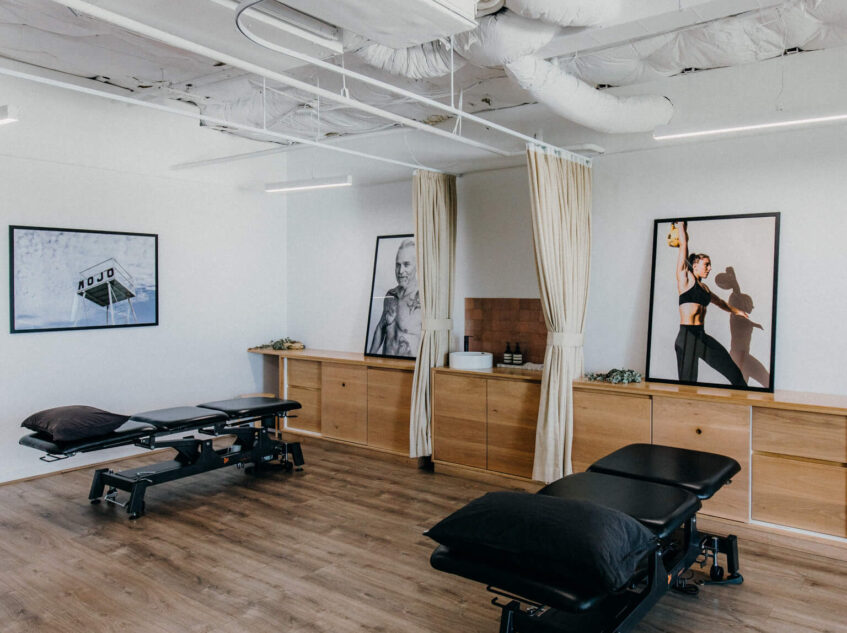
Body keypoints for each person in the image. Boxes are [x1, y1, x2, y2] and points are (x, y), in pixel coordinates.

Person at [675, 221, 752, 386]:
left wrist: (737, 311)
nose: (710, 268)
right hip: (686, 337)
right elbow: (684, 246)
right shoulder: (685, 280)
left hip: (701, 336)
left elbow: (721, 303)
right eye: (706, 265)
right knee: (688, 387)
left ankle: (744, 401)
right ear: (694, 266)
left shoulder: (705, 289)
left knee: (733, 372)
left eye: (710, 265)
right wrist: (681, 227)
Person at [368, 238, 420, 356]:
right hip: (386, 366)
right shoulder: (391, 295)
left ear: (417, 267)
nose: (401, 271)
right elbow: (381, 328)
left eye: (406, 265)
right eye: (398, 265)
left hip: (408, 370)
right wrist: (369, 358)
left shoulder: (424, 300)